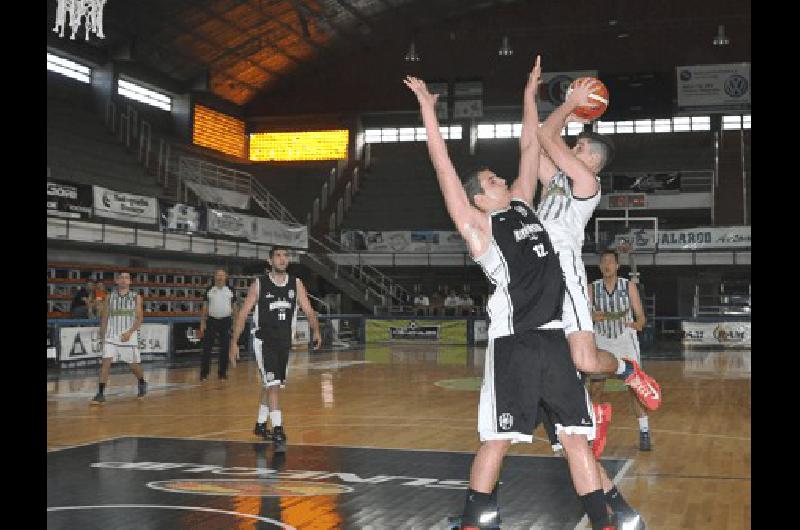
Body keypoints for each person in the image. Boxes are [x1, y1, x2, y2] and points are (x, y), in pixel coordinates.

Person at [406, 58, 615, 530]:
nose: (501, 179)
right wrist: (428, 110)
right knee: (498, 440)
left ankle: (604, 521)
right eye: (491, 182)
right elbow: (441, 165)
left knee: (577, 439)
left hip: (555, 336)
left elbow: (529, 143)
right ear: (479, 198)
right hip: (514, 341)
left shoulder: (522, 202)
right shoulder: (477, 225)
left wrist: (529, 92)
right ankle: (472, 521)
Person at [535, 77, 661, 412]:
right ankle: (585, 420)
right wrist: (530, 97)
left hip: (562, 269)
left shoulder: (587, 181)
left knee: (587, 361)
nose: (571, 149)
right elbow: (534, 143)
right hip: (535, 271)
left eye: (577, 147)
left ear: (592, 159)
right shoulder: (558, 180)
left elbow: (546, 136)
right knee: (558, 360)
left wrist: (569, 104)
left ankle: (628, 370)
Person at [228, 246, 322, 452]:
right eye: (278, 256)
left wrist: (316, 331)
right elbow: (243, 314)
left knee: (272, 384)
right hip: (264, 342)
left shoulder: (296, 284)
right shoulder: (259, 284)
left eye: (285, 256)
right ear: (270, 261)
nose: (282, 259)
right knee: (272, 386)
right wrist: (233, 342)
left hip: (284, 343)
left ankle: (261, 424)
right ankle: (278, 428)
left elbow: (308, 309)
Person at [589, 250, 651, 451]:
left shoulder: (628, 285)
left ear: (617, 266)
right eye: (603, 262)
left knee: (634, 388)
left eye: (610, 262)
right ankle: (592, 432)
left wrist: (638, 324)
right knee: (596, 388)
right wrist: (592, 317)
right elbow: (584, 316)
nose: (607, 265)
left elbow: (641, 316)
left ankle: (644, 431)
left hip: (625, 338)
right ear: (600, 267)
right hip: (602, 339)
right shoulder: (592, 288)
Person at [90, 271, 147, 403]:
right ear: (116, 281)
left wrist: (130, 332)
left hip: (128, 335)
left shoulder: (136, 297)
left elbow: (139, 319)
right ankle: (100, 393)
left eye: (126, 278)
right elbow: (105, 317)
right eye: (121, 278)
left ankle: (142, 382)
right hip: (111, 335)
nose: (123, 280)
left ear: (130, 282)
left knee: (133, 365)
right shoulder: (109, 296)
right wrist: (103, 335)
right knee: (105, 363)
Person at [199, 268, 237, 381]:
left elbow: (235, 307)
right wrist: (202, 322)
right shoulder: (209, 289)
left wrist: (235, 323)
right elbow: (205, 307)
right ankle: (204, 373)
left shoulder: (230, 290)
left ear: (226, 277)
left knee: (225, 349)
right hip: (211, 321)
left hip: (226, 321)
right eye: (218, 275)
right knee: (206, 349)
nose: (220, 277)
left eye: (222, 275)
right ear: (214, 277)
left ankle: (222, 373)